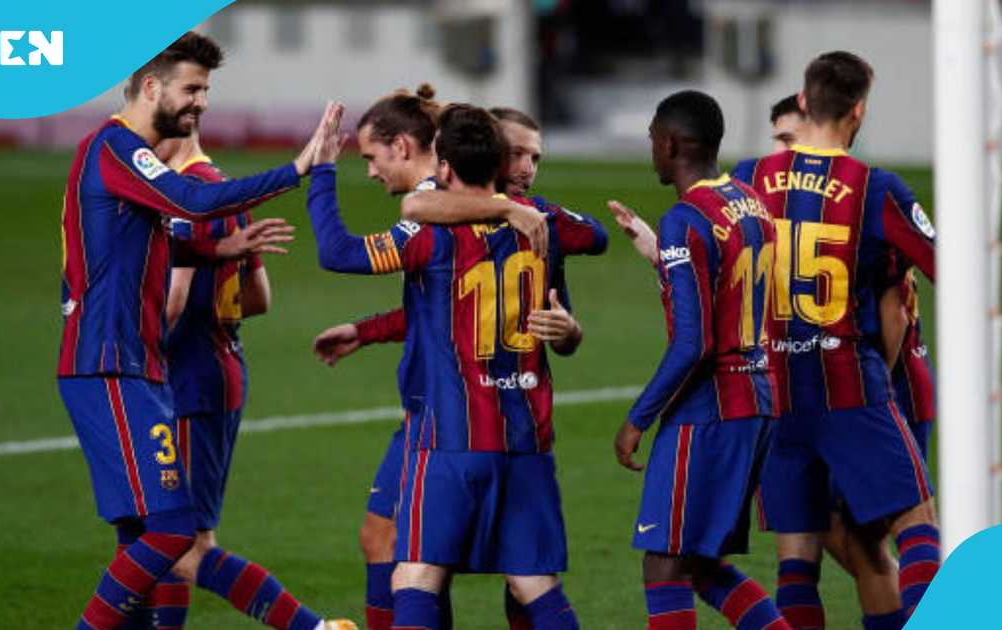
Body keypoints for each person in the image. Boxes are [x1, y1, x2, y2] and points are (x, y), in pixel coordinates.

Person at [56, 31, 337, 630]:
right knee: (174, 530)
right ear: (152, 86)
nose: (201, 102)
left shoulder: (130, 161)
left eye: (206, 90)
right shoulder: (115, 148)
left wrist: (218, 251)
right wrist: (297, 168)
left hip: (138, 366)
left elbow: (148, 234)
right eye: (192, 88)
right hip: (109, 365)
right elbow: (188, 201)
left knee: (141, 537)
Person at [308, 102, 606, 629]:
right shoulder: (546, 223)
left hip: (449, 434)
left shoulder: (431, 233)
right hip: (525, 435)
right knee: (533, 581)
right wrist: (513, 206)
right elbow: (598, 235)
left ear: (442, 167)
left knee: (415, 575)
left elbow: (337, 251)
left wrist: (323, 170)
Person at [731, 51, 939, 628]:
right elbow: (943, 265)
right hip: (850, 385)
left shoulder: (747, 178)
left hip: (774, 396)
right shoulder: (875, 187)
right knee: (916, 521)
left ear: (802, 102)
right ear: (859, 111)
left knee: (798, 558)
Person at [125, 128, 351, 630]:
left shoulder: (184, 197)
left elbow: (175, 300)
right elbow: (259, 298)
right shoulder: (222, 189)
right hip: (220, 370)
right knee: (165, 536)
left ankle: (314, 628)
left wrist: (127, 348)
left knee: (182, 547)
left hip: (187, 382)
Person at [610, 90, 789, 630]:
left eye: (652, 141)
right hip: (759, 398)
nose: (651, 152)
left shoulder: (686, 219)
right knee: (700, 562)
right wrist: (659, 255)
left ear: (671, 143)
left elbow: (694, 343)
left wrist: (637, 419)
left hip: (711, 408)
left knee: (664, 564)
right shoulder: (750, 201)